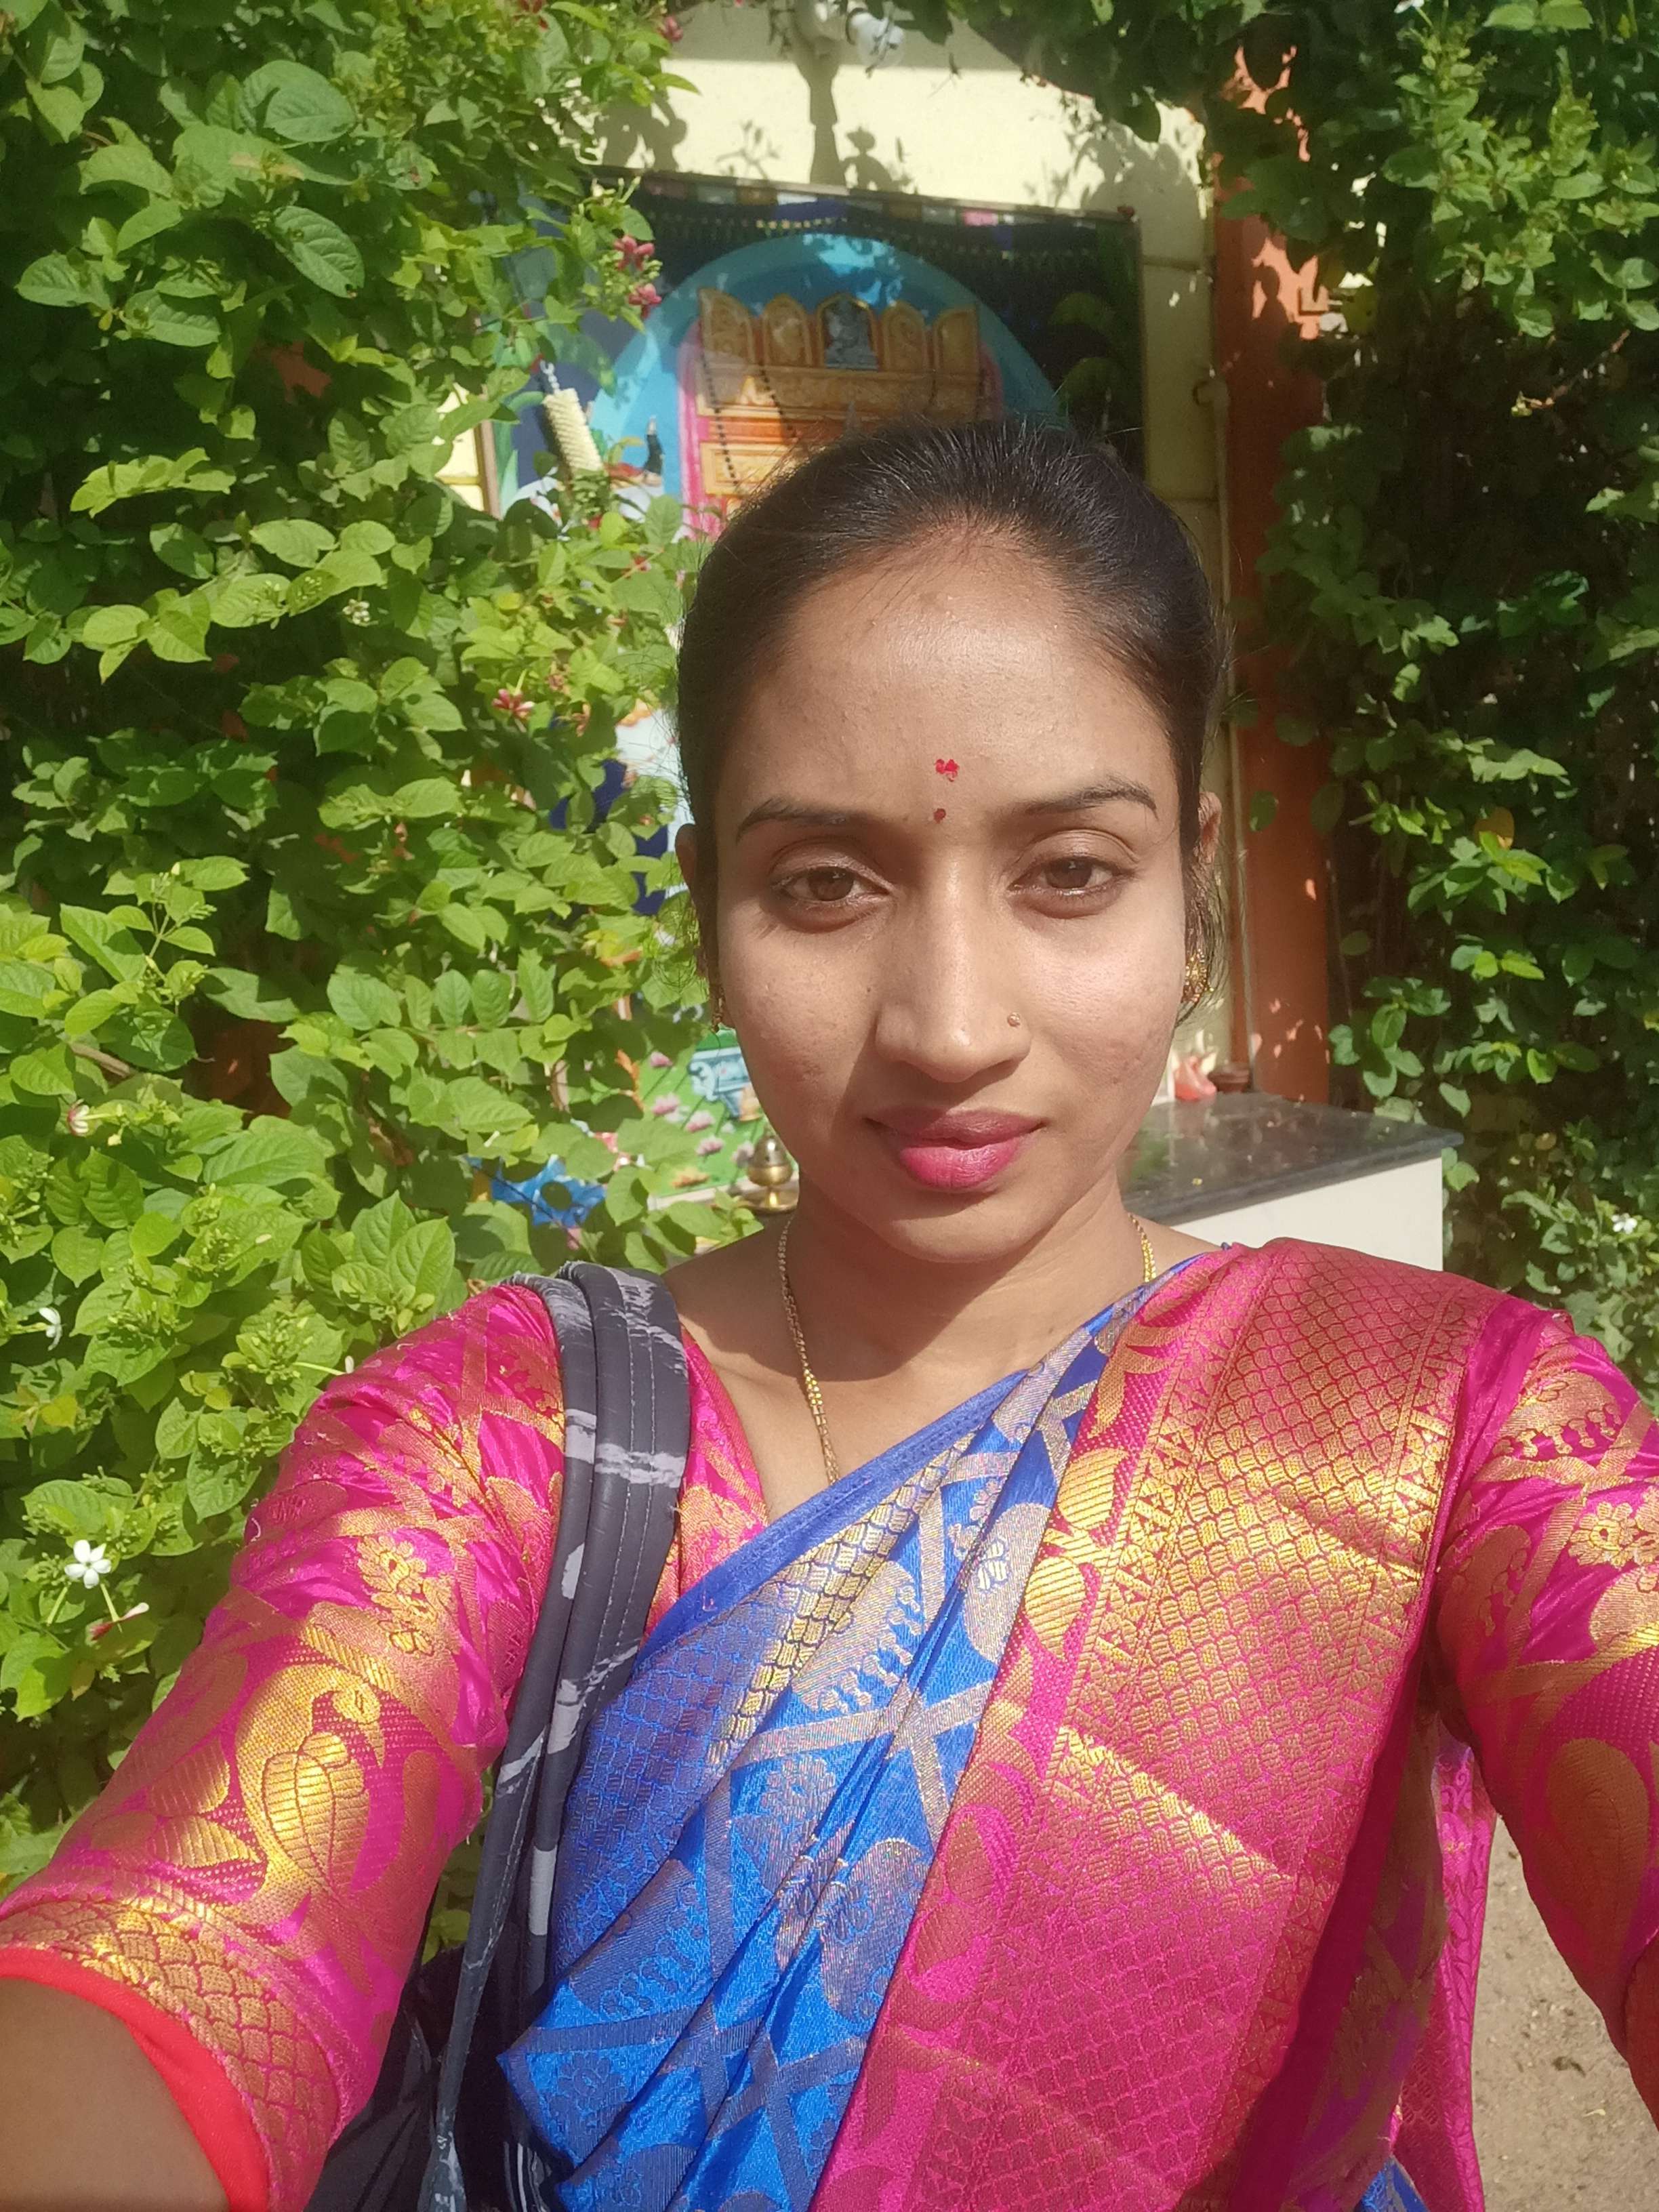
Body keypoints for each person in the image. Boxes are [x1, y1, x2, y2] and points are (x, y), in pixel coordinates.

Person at [1, 417, 1656, 2212]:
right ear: (708, 909)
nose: (950, 1025)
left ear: (1194, 881)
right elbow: (186, 1951)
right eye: (824, 885)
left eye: (1071, 871)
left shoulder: (1446, 1430)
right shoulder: (503, 1444)